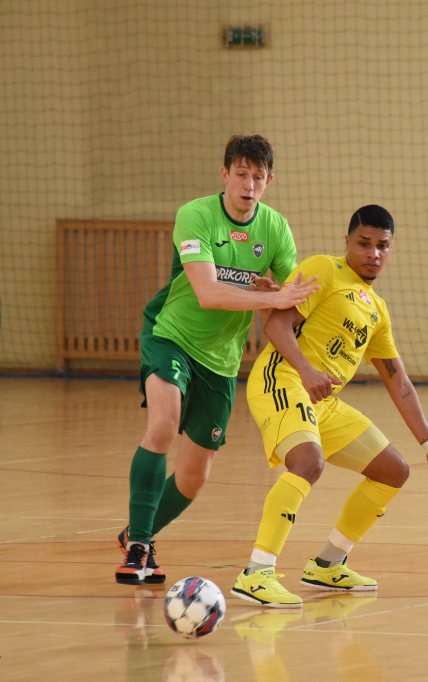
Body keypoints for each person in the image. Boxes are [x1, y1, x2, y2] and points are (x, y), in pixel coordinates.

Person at [232, 204, 428, 608]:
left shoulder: (377, 309)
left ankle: (327, 563)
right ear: (347, 242)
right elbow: (275, 325)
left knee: (393, 471)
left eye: (382, 246)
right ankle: (257, 572)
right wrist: (304, 370)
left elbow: (399, 382)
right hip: (281, 378)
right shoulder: (324, 269)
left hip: (322, 399)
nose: (373, 253)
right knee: (307, 463)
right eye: (364, 243)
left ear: (392, 249)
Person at [116, 134, 319, 585]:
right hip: (172, 336)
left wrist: (279, 301)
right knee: (163, 424)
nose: (249, 185)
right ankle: (139, 549)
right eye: (242, 174)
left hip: (222, 360)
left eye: (259, 177)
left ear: (269, 182)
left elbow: (290, 303)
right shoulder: (196, 215)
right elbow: (207, 294)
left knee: (193, 478)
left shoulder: (276, 229)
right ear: (225, 174)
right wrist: (267, 295)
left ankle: (137, 529)